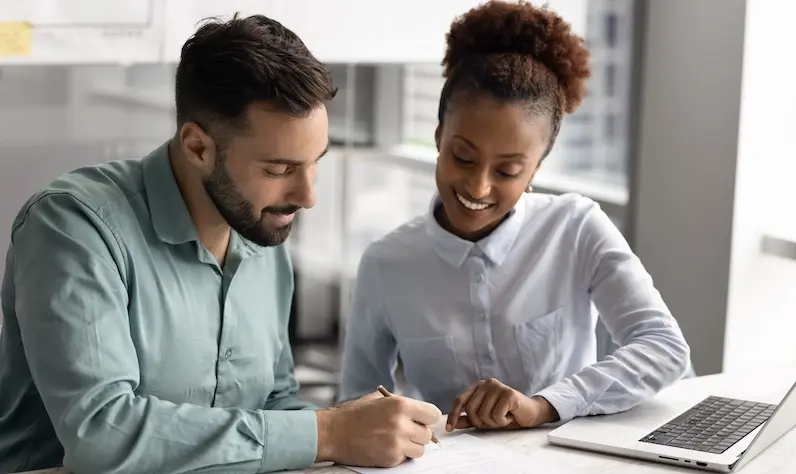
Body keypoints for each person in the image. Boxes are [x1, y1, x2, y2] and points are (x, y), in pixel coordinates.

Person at [0, 14, 440, 474]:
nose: (307, 196)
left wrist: (358, 425)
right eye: (278, 169)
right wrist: (328, 432)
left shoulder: (259, 229)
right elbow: (103, 434)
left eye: (315, 164)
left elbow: (272, 402)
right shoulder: (72, 226)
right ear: (197, 147)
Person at [339, 1, 691, 433]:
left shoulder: (576, 227)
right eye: (462, 157)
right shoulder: (385, 262)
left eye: (507, 170)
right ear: (438, 137)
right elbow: (354, 404)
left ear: (536, 168)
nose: (478, 187)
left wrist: (544, 405)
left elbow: (665, 348)